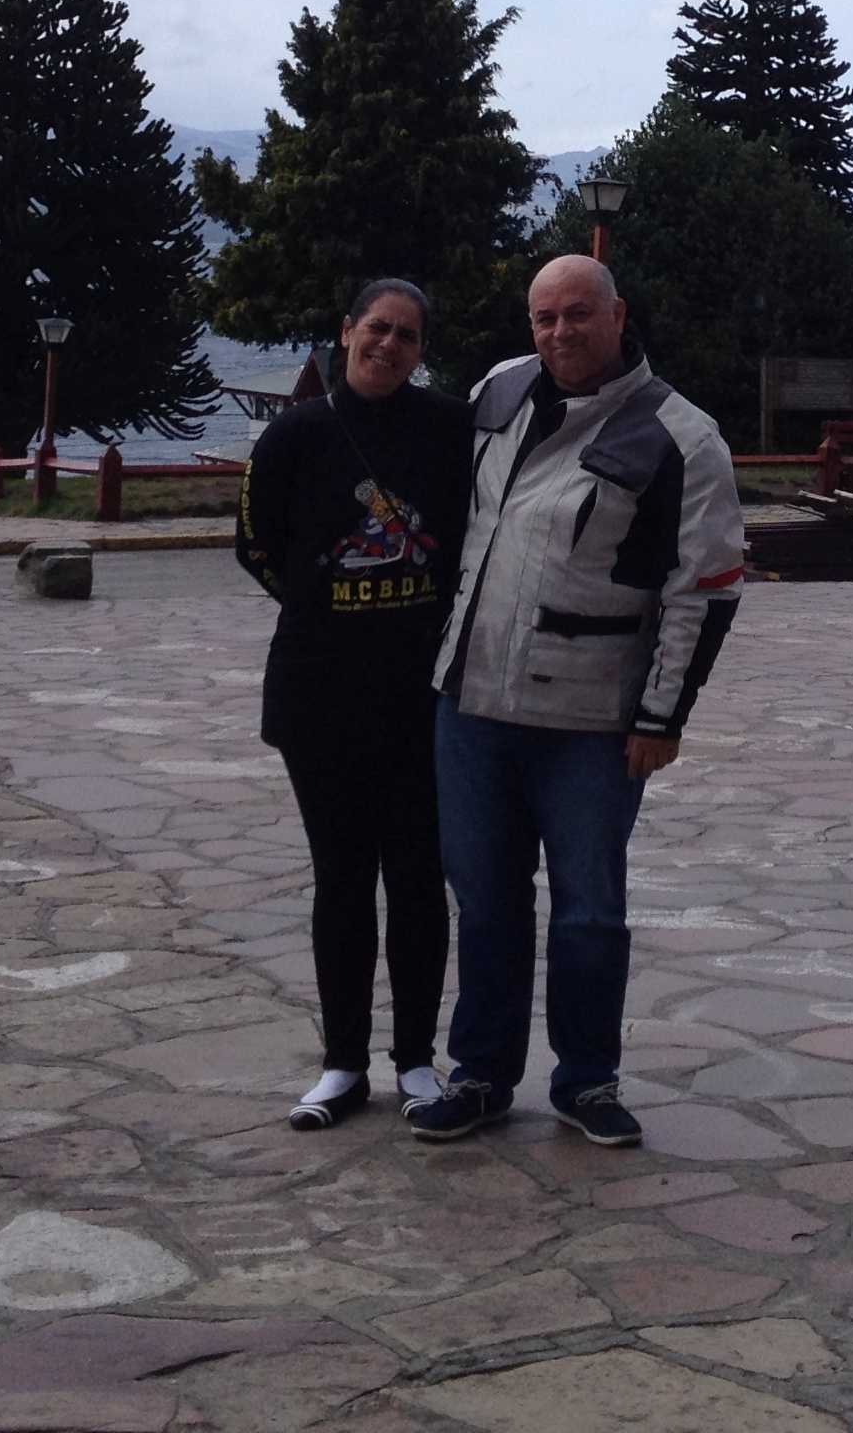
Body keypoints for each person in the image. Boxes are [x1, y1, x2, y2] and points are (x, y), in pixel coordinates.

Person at [410, 254, 746, 1148]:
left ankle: (588, 1080)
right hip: (472, 703)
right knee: (483, 899)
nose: (561, 333)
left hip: (593, 722)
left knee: (590, 908)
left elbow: (704, 587)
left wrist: (661, 717)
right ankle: (481, 1072)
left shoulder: (682, 436)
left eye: (578, 315)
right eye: (544, 317)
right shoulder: (497, 392)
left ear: (617, 315)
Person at [237, 279, 473, 1131]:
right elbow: (254, 543)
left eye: (408, 335)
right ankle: (342, 1064)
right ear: (346, 332)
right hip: (320, 693)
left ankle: (415, 1059)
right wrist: (323, 606)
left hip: (424, 695)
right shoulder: (296, 433)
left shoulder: (450, 429)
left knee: (416, 879)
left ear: (421, 349)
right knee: (341, 879)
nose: (390, 345)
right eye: (377, 328)